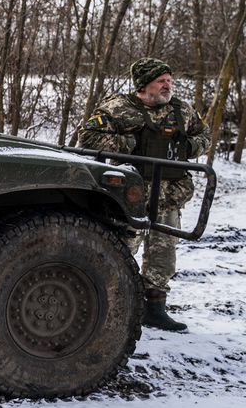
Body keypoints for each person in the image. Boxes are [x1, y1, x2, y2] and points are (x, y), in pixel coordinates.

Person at [79, 57, 209, 332]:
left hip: (170, 194)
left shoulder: (182, 110)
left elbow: (204, 136)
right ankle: (108, 306)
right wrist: (131, 143)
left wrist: (189, 147)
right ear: (144, 85)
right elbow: (88, 138)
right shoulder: (119, 107)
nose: (167, 86)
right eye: (161, 81)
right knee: (120, 251)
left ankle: (155, 308)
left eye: (169, 81)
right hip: (129, 197)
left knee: (163, 254)